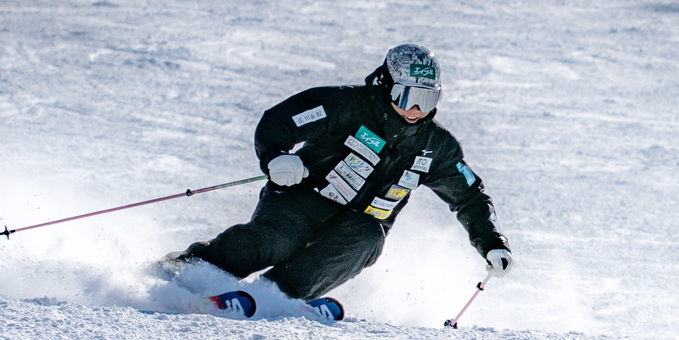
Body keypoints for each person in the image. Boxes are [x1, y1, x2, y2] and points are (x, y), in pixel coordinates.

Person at [162, 44, 513, 306]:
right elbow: (281, 120)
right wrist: (275, 157)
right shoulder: (346, 105)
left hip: (356, 225)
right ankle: (188, 270)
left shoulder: (437, 146)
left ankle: (273, 297)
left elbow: (469, 196)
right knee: (276, 240)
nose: (416, 110)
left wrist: (492, 241)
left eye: (426, 98)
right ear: (385, 84)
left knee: (369, 238)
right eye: (406, 96)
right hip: (299, 200)